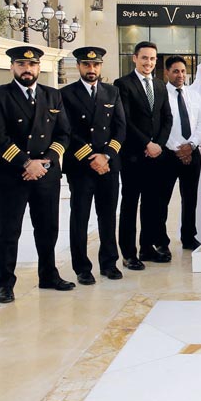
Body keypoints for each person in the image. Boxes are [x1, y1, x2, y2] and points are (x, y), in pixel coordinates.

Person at [0, 46, 73, 304]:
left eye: (32, 65)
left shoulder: (52, 96)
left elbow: (63, 134)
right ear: (12, 67)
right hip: (12, 174)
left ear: (39, 67)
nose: (27, 69)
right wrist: (27, 163)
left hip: (46, 174)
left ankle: (48, 274)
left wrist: (44, 163)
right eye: (22, 65)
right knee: (8, 230)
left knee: (47, 227)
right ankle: (5, 283)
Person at [60, 47, 126, 285]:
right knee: (80, 216)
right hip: (81, 165)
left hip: (108, 165)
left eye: (96, 65)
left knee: (108, 215)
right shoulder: (66, 93)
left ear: (100, 67)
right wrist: (92, 157)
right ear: (78, 66)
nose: (92, 69)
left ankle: (109, 263)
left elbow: (120, 128)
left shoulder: (112, 92)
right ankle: (82, 267)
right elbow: (67, 130)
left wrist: (106, 156)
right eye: (87, 65)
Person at [114, 41, 173, 269]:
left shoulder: (160, 85)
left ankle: (147, 248)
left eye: (152, 59)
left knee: (151, 205)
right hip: (133, 157)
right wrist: (146, 143)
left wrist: (158, 144)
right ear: (135, 58)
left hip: (156, 157)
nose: (149, 62)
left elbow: (167, 118)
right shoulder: (123, 84)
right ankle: (129, 254)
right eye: (145, 58)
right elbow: (125, 120)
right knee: (130, 205)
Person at [163, 56, 201, 251]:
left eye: (182, 71)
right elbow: (162, 126)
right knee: (162, 199)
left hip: (193, 153)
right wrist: (178, 148)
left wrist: (192, 144)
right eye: (175, 71)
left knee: (190, 198)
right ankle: (160, 240)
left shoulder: (194, 95)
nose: (180, 75)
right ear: (167, 73)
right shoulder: (162, 95)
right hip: (169, 155)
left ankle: (189, 236)